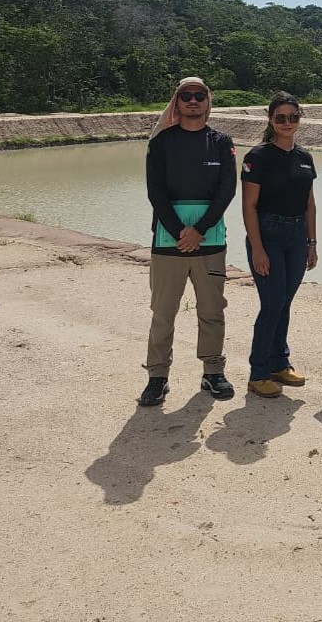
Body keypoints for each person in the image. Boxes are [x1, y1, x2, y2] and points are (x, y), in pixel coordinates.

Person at [139, 76, 237, 407]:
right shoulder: (161, 143)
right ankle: (157, 377)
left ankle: (213, 371)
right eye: (185, 96)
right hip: (169, 241)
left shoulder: (222, 142)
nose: (192, 101)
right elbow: (156, 192)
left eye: (199, 95)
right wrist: (181, 230)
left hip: (211, 240)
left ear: (209, 102)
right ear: (176, 103)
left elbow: (226, 191)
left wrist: (200, 230)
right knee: (163, 312)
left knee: (212, 310)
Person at [241, 91, 317, 398]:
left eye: (293, 117)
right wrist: (258, 249)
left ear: (300, 119)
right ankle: (258, 372)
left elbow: (309, 203)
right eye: (281, 118)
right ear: (271, 120)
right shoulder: (257, 157)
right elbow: (249, 206)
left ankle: (279, 363)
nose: (288, 123)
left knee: (284, 301)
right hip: (268, 234)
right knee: (272, 303)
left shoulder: (304, 157)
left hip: (297, 236)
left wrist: (312, 243)